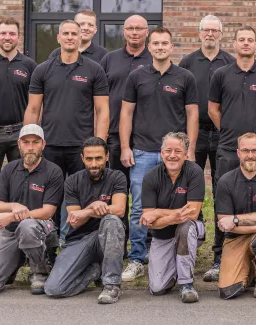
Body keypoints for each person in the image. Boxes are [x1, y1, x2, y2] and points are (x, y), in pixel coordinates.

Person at [118, 26, 199, 282]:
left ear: (172, 47)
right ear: (149, 46)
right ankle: (137, 258)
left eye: (165, 43)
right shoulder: (136, 76)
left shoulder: (185, 77)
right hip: (143, 151)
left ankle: (169, 251)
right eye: (156, 43)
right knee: (139, 207)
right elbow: (126, 113)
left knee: (176, 204)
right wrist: (125, 146)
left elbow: (192, 115)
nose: (160, 47)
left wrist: (190, 149)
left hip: (175, 154)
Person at [208, 26, 256, 284]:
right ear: (234, 44)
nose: (246, 43)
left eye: (250, 40)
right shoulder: (221, 74)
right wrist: (231, 134)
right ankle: (219, 257)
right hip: (228, 148)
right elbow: (213, 109)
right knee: (222, 202)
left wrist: (255, 140)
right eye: (242, 40)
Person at [24, 19, 109, 240]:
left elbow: (102, 110)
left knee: (83, 197)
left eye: (74, 33)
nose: (70, 37)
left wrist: (99, 144)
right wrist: (30, 141)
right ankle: (49, 244)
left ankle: (80, 242)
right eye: (66, 33)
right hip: (50, 145)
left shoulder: (94, 69)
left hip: (82, 146)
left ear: (80, 38)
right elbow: (33, 109)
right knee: (50, 197)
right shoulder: (43, 70)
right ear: (58, 38)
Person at [179, 15, 236, 282]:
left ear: (221, 34)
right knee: (190, 186)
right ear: (199, 33)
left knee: (222, 189)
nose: (210, 34)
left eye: (215, 30)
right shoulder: (187, 62)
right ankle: (194, 234)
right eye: (206, 30)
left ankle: (220, 252)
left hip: (224, 134)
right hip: (195, 133)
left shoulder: (230, 63)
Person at [0, 124, 63, 295]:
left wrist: (11, 217)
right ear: (19, 144)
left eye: (35, 142)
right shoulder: (9, 169)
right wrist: (13, 206)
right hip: (10, 234)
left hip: (41, 230)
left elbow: (48, 212)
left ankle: (39, 270)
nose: (30, 147)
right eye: (26, 142)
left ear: (43, 144)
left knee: (27, 226)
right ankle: (13, 264)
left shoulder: (53, 171)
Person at [43, 137, 127, 303]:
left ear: (107, 156)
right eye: (89, 159)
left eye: (98, 158)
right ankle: (94, 272)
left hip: (108, 240)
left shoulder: (117, 177)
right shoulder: (72, 181)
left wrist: (87, 212)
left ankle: (111, 285)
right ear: (82, 158)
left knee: (111, 221)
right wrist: (93, 208)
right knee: (53, 289)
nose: (94, 164)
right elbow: (75, 220)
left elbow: (119, 210)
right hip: (79, 240)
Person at [139, 132, 206, 303]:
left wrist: (157, 213)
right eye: (168, 151)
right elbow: (148, 221)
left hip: (192, 230)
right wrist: (172, 217)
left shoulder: (195, 172)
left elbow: (192, 213)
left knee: (185, 227)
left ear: (186, 154)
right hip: (162, 235)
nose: (172, 155)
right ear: (162, 153)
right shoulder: (150, 177)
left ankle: (186, 284)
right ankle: (176, 267)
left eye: (178, 151)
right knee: (157, 288)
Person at [0, 17, 37, 207]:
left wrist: (32, 131)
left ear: (18, 37)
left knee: (22, 180)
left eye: (12, 33)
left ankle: (19, 222)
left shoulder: (29, 65)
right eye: (3, 33)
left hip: (21, 132)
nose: (7, 37)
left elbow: (36, 102)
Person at [214, 133, 256, 299]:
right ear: (238, 153)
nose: (250, 155)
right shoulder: (225, 181)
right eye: (245, 151)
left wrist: (235, 219)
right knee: (227, 291)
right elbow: (224, 223)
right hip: (235, 238)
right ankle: (251, 270)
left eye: (254, 150)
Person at [100, 15, 151, 187]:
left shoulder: (154, 59)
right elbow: (99, 97)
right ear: (124, 32)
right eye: (130, 28)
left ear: (147, 32)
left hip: (145, 136)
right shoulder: (109, 59)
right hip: (114, 133)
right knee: (116, 186)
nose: (134, 32)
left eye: (139, 28)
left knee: (144, 188)